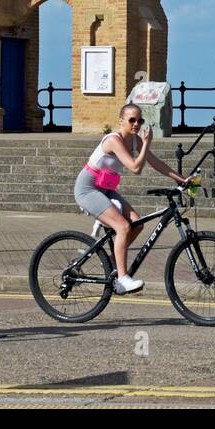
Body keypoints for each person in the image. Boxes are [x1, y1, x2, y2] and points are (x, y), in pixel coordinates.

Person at [75, 102, 191, 295]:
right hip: (87, 189)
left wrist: (182, 179)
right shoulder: (114, 140)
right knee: (123, 226)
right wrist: (146, 143)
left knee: (137, 223)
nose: (136, 123)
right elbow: (136, 168)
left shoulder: (135, 140)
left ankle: (113, 260)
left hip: (104, 189)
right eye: (132, 120)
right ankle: (121, 279)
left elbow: (155, 163)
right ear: (121, 121)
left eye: (140, 120)